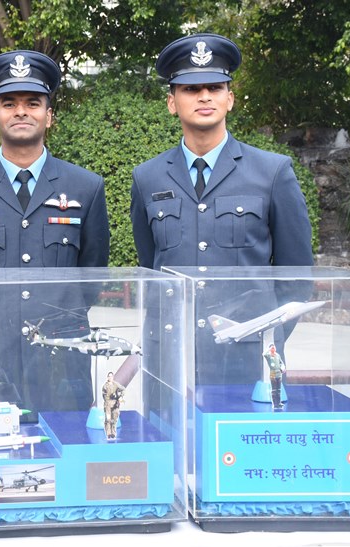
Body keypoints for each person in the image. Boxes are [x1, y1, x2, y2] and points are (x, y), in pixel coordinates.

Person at [130, 33, 314, 388]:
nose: (204, 96)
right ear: (171, 102)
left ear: (229, 99)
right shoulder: (147, 177)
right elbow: (150, 266)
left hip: (247, 359)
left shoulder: (272, 172)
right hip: (170, 356)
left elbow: (296, 277)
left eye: (214, 87)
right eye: (190, 89)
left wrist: (265, 336)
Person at [0, 50, 110, 413]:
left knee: (68, 444)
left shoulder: (85, 187)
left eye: (33, 102)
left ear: (49, 115)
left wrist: (62, 321)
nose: (21, 111)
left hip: (62, 357)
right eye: (9, 103)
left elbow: (91, 276)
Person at [102, 371, 125, 439]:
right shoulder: (105, 386)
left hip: (115, 404)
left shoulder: (116, 384)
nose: (110, 378)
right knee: (108, 419)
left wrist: (120, 396)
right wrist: (109, 398)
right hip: (108, 404)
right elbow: (104, 396)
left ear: (113, 377)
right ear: (107, 377)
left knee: (114, 419)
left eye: (111, 376)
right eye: (109, 376)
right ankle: (108, 433)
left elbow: (123, 389)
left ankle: (113, 433)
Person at [263, 344, 286, 410]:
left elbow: (281, 363)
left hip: (279, 373)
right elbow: (264, 354)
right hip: (273, 373)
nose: (273, 349)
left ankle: (279, 403)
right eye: (272, 348)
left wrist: (283, 368)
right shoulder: (268, 356)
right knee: (274, 390)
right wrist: (268, 349)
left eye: (274, 348)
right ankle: (275, 404)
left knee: (278, 390)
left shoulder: (277, 355)